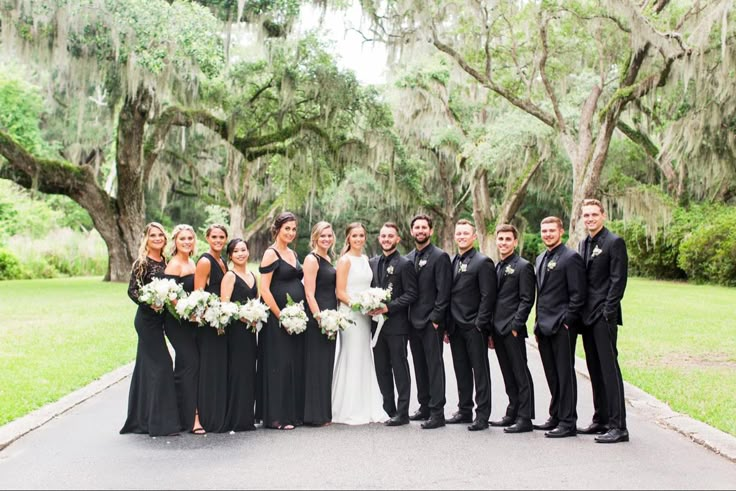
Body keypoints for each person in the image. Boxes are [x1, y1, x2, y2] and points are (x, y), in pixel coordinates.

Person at [576, 199, 629, 444]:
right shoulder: (584, 243)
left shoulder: (614, 242)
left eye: (594, 215)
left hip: (603, 316)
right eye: (586, 215)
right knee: (594, 370)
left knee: (609, 370)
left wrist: (608, 311)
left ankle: (619, 427)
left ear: (603, 216)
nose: (590, 219)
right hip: (586, 316)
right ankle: (601, 419)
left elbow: (618, 281)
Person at [120, 222, 181, 437]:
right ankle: (161, 423)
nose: (157, 238)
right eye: (153, 235)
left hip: (161, 320)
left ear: (165, 239)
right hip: (147, 321)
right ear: (147, 238)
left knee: (146, 367)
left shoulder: (166, 262)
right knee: (164, 364)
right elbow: (132, 290)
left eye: (160, 235)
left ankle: (142, 419)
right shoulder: (142, 263)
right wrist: (150, 302)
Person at [533, 216, 586, 438]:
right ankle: (555, 415)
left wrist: (567, 321)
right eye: (544, 231)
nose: (547, 234)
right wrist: (536, 324)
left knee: (565, 374)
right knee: (551, 374)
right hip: (543, 325)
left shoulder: (571, 257)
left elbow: (578, 294)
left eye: (551, 230)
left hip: (561, 326)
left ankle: (568, 420)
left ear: (561, 232)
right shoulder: (540, 258)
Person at [332, 222, 388, 425]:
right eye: (354, 236)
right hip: (350, 315)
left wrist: (371, 302)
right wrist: (358, 306)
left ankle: (367, 404)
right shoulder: (345, 261)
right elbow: (340, 292)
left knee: (364, 356)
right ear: (348, 238)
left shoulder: (365, 259)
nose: (358, 239)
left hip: (365, 315)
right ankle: (348, 407)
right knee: (352, 356)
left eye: (361, 235)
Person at [444, 219, 496, 432]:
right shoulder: (453, 260)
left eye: (466, 233)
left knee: (480, 371)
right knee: (461, 370)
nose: (462, 236)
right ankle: (464, 409)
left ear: (474, 237)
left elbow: (488, 296)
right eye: (459, 233)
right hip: (455, 326)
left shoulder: (483, 262)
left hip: (474, 326)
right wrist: (447, 325)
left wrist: (479, 324)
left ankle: (482, 415)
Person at [259, 212, 306, 430]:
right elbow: (264, 290)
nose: (290, 233)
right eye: (287, 228)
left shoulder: (292, 253)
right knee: (278, 364)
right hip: (278, 319)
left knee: (291, 364)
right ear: (277, 229)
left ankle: (291, 413)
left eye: (294, 229)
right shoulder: (271, 253)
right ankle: (276, 416)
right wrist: (281, 316)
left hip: (295, 318)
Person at [369, 222, 418, 427]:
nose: (386, 239)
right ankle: (388, 408)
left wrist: (389, 308)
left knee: (399, 367)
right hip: (375, 327)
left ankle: (402, 411)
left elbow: (411, 293)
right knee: (381, 368)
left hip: (396, 326)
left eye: (391, 236)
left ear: (397, 239)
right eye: (383, 236)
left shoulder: (405, 264)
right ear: (379, 239)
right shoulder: (372, 263)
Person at [405, 214, 451, 430]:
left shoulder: (440, 257)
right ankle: (423, 405)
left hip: (431, 321)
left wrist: (436, 319)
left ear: (431, 231)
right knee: (419, 365)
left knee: (434, 366)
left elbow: (444, 291)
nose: (420, 231)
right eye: (417, 227)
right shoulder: (408, 257)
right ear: (412, 231)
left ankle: (437, 411)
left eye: (424, 227)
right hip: (412, 322)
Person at [489, 224, 536, 434]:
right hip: (497, 329)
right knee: (507, 373)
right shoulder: (498, 266)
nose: (504, 243)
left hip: (512, 329)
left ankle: (525, 417)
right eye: (500, 239)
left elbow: (527, 299)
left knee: (520, 373)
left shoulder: (523, 266)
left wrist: (516, 325)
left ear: (515, 242)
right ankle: (512, 411)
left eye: (508, 239)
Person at [162, 224, 203, 435]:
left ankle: (186, 413)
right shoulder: (174, 265)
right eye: (182, 239)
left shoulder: (192, 262)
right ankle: (191, 418)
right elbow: (171, 298)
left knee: (192, 365)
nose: (186, 242)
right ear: (175, 242)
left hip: (192, 321)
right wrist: (188, 312)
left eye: (190, 238)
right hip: (177, 323)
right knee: (190, 363)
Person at [194, 224, 230, 433]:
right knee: (209, 369)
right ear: (207, 238)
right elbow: (199, 296)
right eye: (214, 237)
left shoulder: (222, 261)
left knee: (219, 369)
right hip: (209, 325)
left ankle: (220, 413)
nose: (218, 240)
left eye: (221, 237)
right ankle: (207, 417)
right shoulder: (205, 262)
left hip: (221, 322)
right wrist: (213, 315)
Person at [220, 238, 258, 432]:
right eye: (236, 251)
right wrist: (243, 316)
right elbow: (225, 304)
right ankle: (236, 418)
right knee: (238, 372)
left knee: (250, 371)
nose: (241, 254)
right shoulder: (230, 276)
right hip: (236, 331)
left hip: (251, 331)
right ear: (230, 255)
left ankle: (247, 417)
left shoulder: (253, 275)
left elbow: (257, 301)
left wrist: (256, 314)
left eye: (243, 250)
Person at [302, 222, 338, 426]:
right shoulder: (311, 259)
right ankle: (314, 415)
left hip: (331, 315)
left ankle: (324, 412)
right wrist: (320, 319)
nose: (326, 239)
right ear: (315, 237)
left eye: (329, 235)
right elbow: (309, 293)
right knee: (316, 365)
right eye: (322, 236)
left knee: (325, 364)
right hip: (319, 317)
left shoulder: (328, 258)